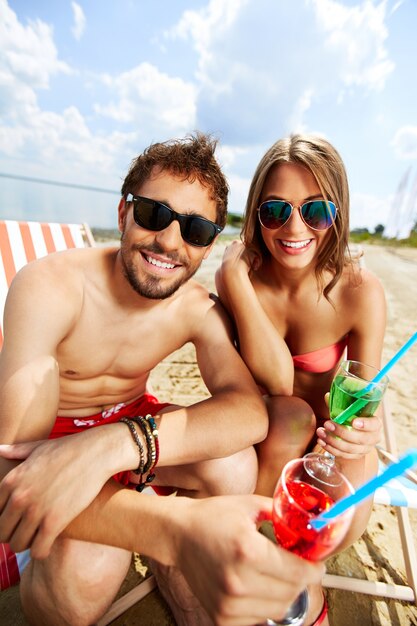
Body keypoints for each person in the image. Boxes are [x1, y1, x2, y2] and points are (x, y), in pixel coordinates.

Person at [0, 132, 283, 626]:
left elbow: (248, 411)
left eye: (195, 230)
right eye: (155, 214)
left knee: (234, 465)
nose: (170, 242)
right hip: (48, 440)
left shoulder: (194, 308)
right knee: (91, 568)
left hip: (128, 431)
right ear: (123, 214)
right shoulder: (50, 287)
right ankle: (156, 545)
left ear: (210, 243)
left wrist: (115, 444)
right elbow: (12, 472)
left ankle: (185, 597)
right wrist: (172, 527)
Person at [215, 133, 386, 625]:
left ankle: (285, 580)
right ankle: (278, 577)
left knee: (335, 515)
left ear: (339, 213)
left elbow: (363, 394)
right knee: (290, 416)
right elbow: (278, 382)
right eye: (274, 211)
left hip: (333, 442)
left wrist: (363, 431)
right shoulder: (241, 279)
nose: (294, 227)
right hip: (265, 438)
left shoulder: (359, 291)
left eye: (316, 211)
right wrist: (236, 285)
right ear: (254, 214)